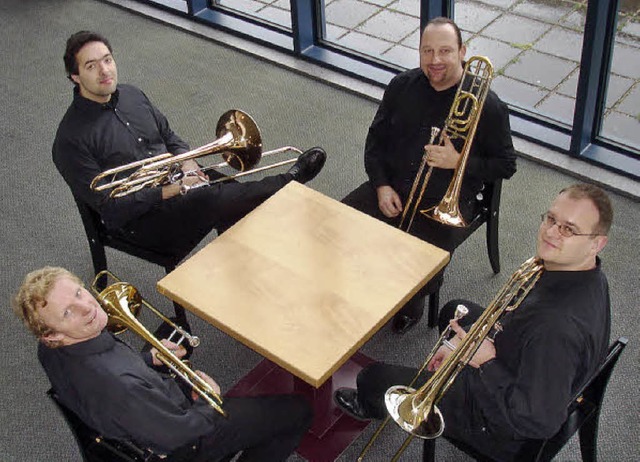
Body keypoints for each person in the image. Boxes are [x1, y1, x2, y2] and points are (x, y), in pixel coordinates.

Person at [334, 183, 612, 461]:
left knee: (372, 378)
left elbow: (536, 421)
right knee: (455, 311)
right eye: (551, 219)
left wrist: (483, 362)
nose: (551, 233)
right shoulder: (584, 272)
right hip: (519, 360)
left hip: (499, 421)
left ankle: (370, 405)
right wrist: (462, 345)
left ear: (597, 243)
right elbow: (516, 320)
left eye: (569, 229)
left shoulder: (555, 328)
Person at [53, 30, 326, 263]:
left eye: (108, 60)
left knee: (232, 191)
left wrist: (188, 162)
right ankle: (289, 180)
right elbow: (111, 209)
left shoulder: (132, 96)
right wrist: (174, 189)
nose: (105, 71)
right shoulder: (70, 140)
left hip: (177, 181)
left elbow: (169, 136)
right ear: (74, 77)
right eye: (91, 66)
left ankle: (254, 258)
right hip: (141, 219)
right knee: (217, 197)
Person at [13, 266, 313, 461]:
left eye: (79, 292)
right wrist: (208, 403)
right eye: (67, 312)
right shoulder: (119, 386)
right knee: (297, 410)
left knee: (166, 336)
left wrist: (149, 360)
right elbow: (178, 433)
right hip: (183, 441)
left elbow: (126, 382)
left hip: (136, 413)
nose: (87, 306)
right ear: (52, 334)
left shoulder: (50, 349)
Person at [342, 17, 517, 334]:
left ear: (463, 52)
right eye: (428, 51)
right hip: (392, 186)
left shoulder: (488, 105)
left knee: (415, 270)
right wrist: (381, 186)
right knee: (338, 227)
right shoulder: (401, 86)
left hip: (443, 200)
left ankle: (413, 302)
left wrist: (459, 161)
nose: (435, 61)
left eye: (445, 51)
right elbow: (375, 143)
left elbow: (506, 165)